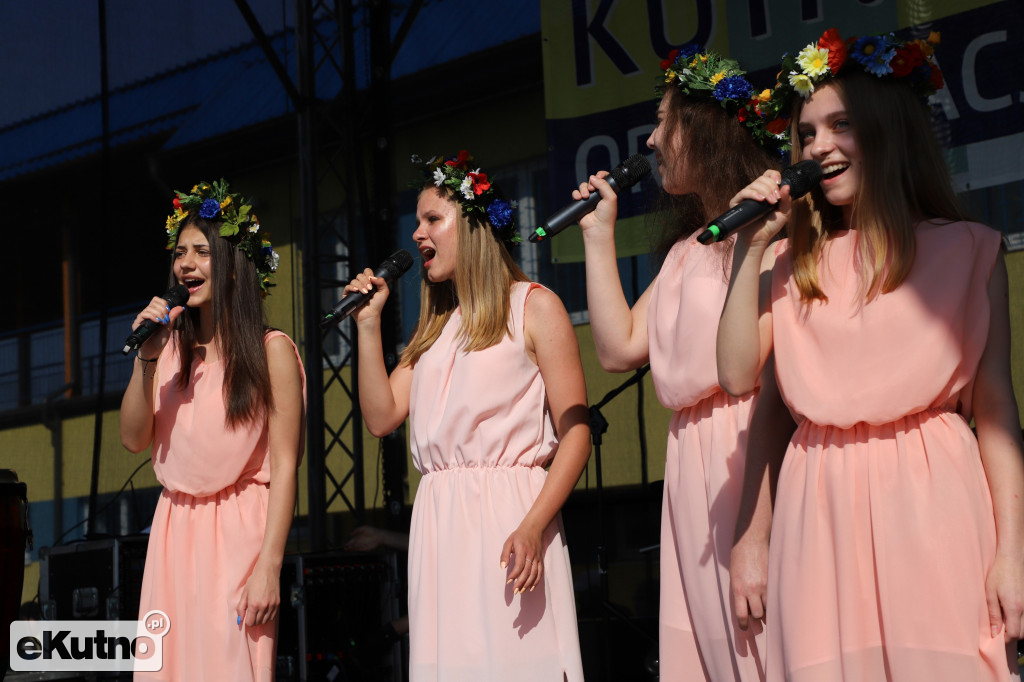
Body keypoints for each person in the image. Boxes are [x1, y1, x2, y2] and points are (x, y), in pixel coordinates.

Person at [716, 28, 1024, 680]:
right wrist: (751, 249)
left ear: (890, 130)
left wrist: (1013, 553)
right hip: (817, 511)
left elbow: (997, 413)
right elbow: (738, 376)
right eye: (806, 133)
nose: (818, 146)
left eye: (841, 125)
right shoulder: (788, 263)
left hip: (934, 504)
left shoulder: (970, 249)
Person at [572, 47, 793, 680]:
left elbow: (769, 377)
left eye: (663, 120)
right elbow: (617, 349)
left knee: (760, 643)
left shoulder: (776, 231)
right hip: (688, 457)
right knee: (709, 649)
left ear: (705, 128)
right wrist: (598, 236)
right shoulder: (685, 251)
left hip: (746, 447)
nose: (650, 139)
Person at [344, 151, 590, 681]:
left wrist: (533, 525)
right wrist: (367, 327)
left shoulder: (533, 305)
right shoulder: (433, 329)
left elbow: (577, 434)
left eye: (432, 219)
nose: (417, 233)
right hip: (440, 525)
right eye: (417, 222)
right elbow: (381, 417)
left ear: (473, 227)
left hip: (510, 518)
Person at [120, 179, 306, 681]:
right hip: (173, 531)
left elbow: (285, 466)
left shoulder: (271, 351)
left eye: (202, 252)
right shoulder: (166, 348)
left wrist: (270, 565)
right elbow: (133, 439)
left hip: (239, 533)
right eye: (180, 253)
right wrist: (146, 357)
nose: (187, 264)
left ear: (232, 265)